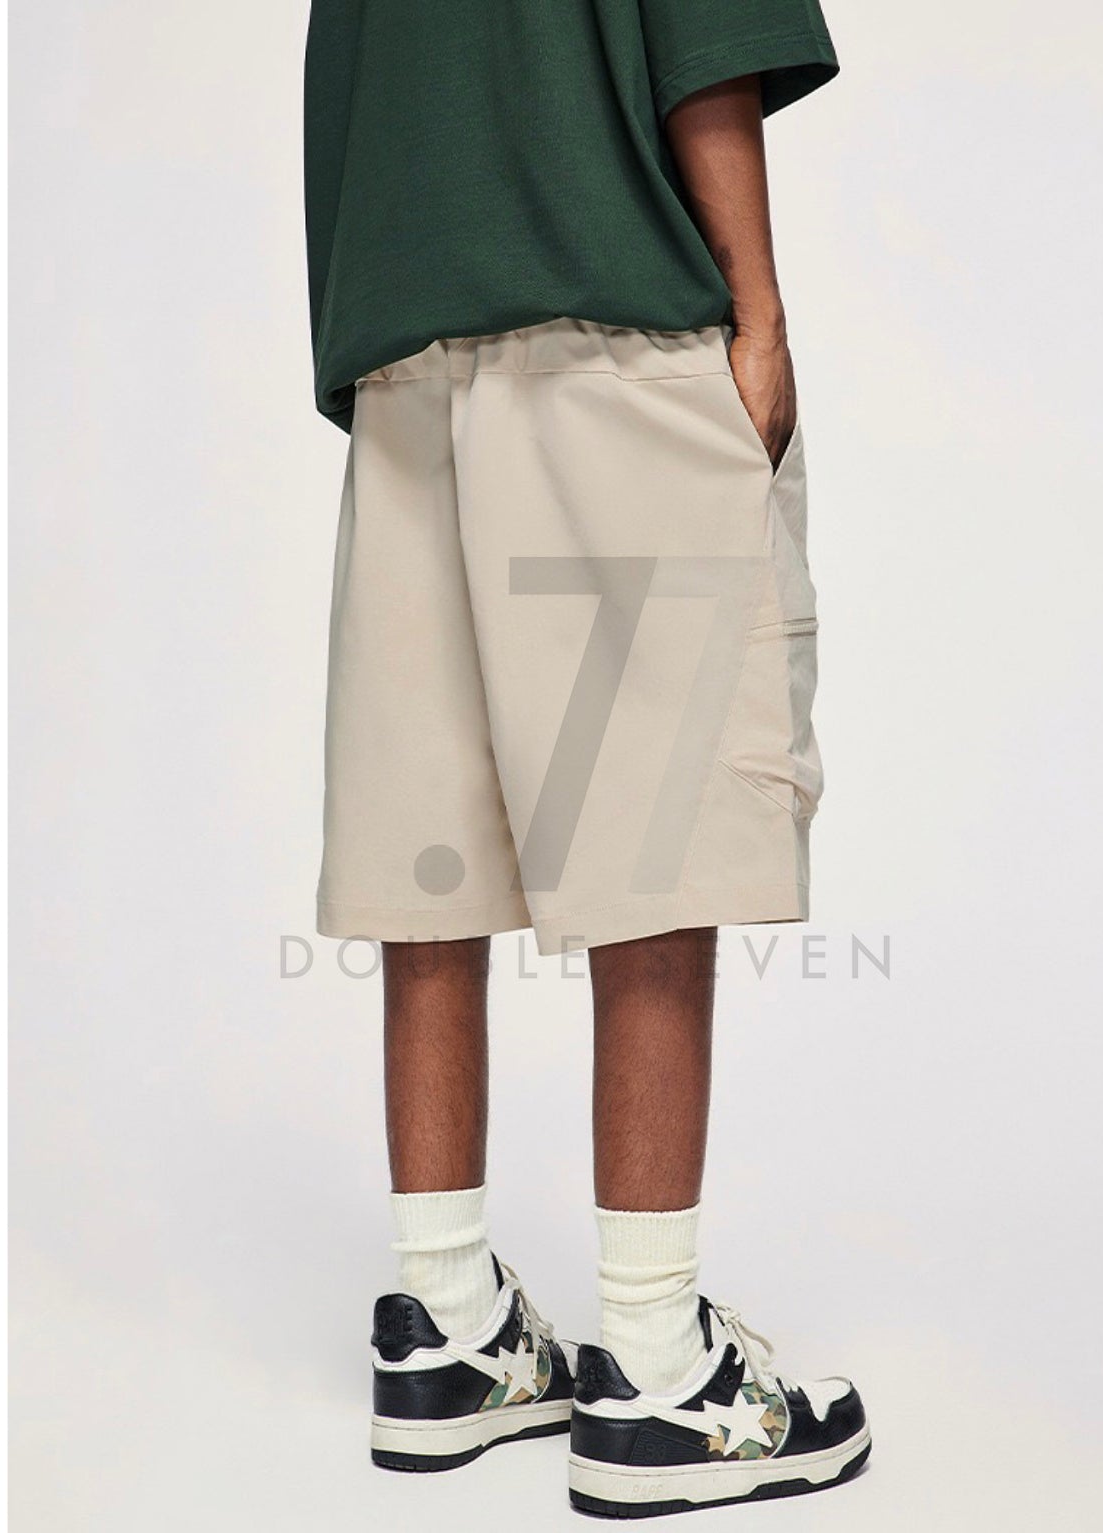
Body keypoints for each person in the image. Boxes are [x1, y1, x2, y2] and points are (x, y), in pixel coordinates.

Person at [303, 0, 869, 1515]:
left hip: (407, 358)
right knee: (650, 852)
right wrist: (759, 316)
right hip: (607, 335)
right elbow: (702, 42)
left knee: (431, 849)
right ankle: (659, 1368)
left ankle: (449, 1328)